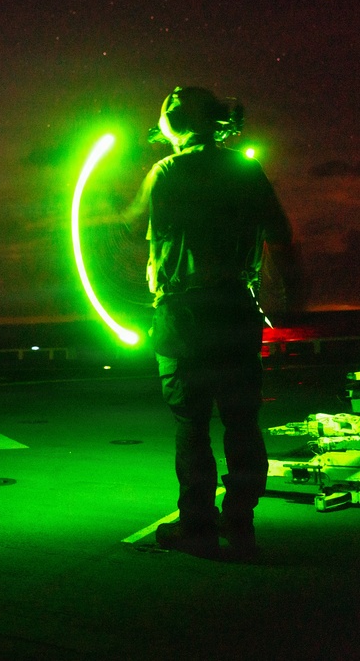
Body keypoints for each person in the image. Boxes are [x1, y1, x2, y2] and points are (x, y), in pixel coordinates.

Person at [125, 86, 302, 559]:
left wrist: (101, 206)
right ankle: (241, 524)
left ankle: (199, 529)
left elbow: (126, 223)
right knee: (242, 422)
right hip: (235, 312)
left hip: (184, 316)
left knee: (192, 423)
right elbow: (281, 237)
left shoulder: (164, 171)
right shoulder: (245, 169)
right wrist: (293, 298)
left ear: (174, 122)